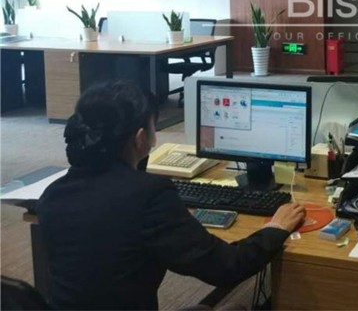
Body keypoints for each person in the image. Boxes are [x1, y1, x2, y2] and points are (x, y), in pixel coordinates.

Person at [37, 81, 306, 310]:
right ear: (140, 138)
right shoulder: (147, 195)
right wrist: (276, 228)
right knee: (236, 308)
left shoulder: (52, 196)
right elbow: (227, 268)